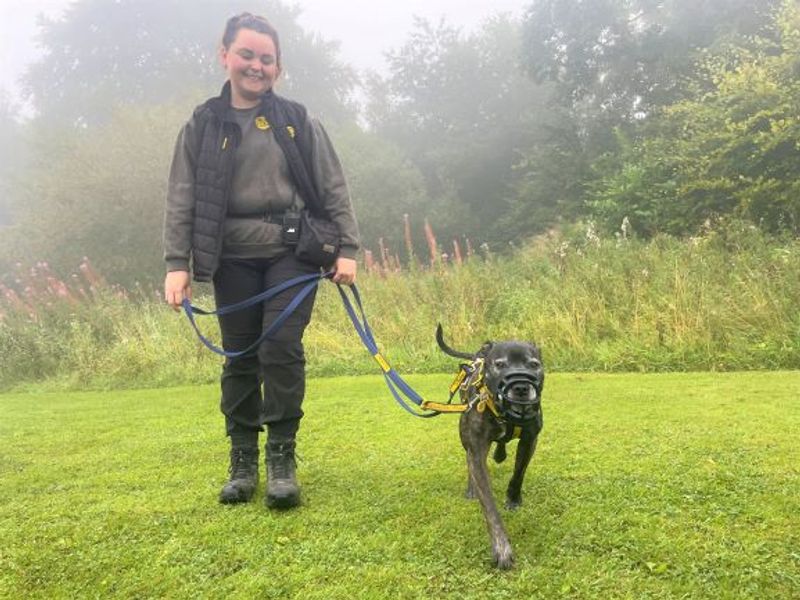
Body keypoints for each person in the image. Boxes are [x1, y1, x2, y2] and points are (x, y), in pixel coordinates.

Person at [163, 13, 360, 509]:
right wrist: (176, 263)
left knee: (281, 351)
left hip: (294, 252)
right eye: (247, 55)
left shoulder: (297, 119)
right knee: (240, 356)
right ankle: (242, 461)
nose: (256, 66)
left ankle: (281, 459)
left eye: (266, 58)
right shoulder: (202, 123)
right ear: (224, 54)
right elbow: (181, 195)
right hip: (230, 256)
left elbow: (333, 185)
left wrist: (349, 250)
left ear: (279, 66)